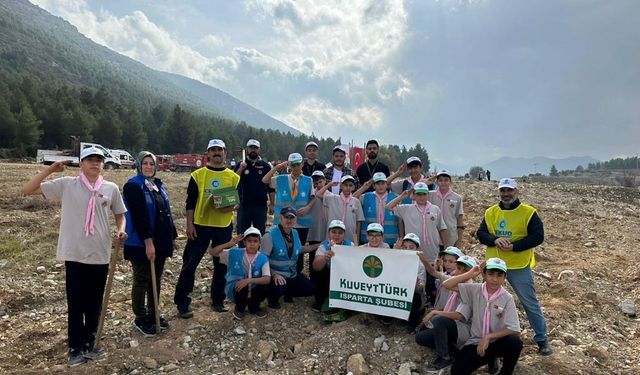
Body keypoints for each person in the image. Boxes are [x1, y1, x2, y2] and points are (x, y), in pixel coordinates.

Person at [22, 147, 127, 367]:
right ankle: (75, 348)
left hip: (99, 254)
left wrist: (120, 229)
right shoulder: (67, 185)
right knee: (76, 303)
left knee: (94, 303)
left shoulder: (111, 188)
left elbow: (120, 214)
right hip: (75, 254)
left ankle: (91, 342)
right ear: (81, 163)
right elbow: (27, 189)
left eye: (99, 160)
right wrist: (50, 169)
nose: (95, 164)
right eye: (90, 160)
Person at [476, 178, 551, 355]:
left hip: (519, 265)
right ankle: (488, 340)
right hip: (494, 266)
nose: (506, 194)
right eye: (503, 190)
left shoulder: (528, 213)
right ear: (499, 192)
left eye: (509, 190)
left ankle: (542, 339)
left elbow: (538, 236)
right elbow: (481, 234)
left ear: (517, 191)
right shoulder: (491, 212)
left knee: (529, 303)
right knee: (487, 303)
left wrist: (515, 246)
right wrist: (494, 239)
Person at [174, 139, 240, 318]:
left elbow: (235, 203)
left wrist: (225, 207)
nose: (217, 152)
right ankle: (182, 302)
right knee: (190, 264)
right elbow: (190, 202)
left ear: (225, 152)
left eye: (220, 149)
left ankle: (218, 300)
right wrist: (189, 224)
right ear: (208, 153)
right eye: (213, 150)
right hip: (200, 226)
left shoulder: (234, 177)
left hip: (223, 226)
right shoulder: (198, 175)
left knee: (221, 266)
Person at [123, 151, 177, 336]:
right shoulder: (133, 186)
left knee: (156, 278)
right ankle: (141, 317)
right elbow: (139, 216)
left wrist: (172, 237)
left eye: (151, 164)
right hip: (140, 242)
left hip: (160, 242)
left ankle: (154, 313)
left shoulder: (156, 185)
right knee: (142, 278)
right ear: (139, 165)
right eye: (145, 163)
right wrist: (148, 242)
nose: (148, 167)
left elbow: (165, 213)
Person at [442, 258, 523, 375]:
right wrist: (470, 274)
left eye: (499, 275)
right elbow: (446, 284)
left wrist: (488, 337)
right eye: (490, 274)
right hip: (475, 342)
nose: (494, 279)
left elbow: (514, 329)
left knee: (515, 342)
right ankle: (489, 360)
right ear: (484, 274)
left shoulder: (507, 298)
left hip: (496, 342)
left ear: (505, 278)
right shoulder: (475, 289)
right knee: (457, 371)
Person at [415, 255, 477, 373]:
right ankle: (452, 350)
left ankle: (445, 357)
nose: (460, 272)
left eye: (466, 270)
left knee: (439, 320)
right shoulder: (454, 281)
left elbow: (460, 315)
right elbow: (434, 273)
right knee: (421, 337)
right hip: (450, 325)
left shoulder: (471, 288)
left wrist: (435, 312)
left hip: (462, 328)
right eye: (459, 268)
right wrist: (424, 258)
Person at [262, 152, 315, 272]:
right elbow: (265, 180)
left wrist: (307, 207)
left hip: (302, 221)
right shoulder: (281, 179)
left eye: (298, 164)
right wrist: (276, 168)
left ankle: (297, 272)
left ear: (302, 164)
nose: (295, 167)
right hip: (283, 222)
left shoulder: (308, 180)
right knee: (283, 247)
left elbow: (313, 197)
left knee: (299, 250)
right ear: (289, 166)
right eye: (293, 165)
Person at [261, 207, 317, 309]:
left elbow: (300, 249)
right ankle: (272, 299)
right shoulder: (269, 235)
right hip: (276, 275)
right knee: (279, 288)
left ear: (295, 219)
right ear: (280, 218)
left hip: (292, 274)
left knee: (311, 289)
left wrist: (319, 245)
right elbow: (262, 260)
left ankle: (288, 292)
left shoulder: (294, 233)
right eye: (286, 217)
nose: (289, 220)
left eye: (292, 217)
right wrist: (274, 274)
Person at [209, 227, 270, 320]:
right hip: (237, 288)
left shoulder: (263, 258)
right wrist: (229, 244)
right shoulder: (234, 253)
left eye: (255, 241)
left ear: (260, 242)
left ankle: (254, 306)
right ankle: (240, 307)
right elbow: (213, 252)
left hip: (253, 288)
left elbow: (267, 279)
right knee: (241, 285)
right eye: (249, 241)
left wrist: (248, 280)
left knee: (264, 285)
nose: (252, 244)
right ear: (244, 242)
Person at [311, 220, 354, 312]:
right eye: (334, 232)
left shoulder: (350, 245)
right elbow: (315, 267)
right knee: (320, 272)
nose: (337, 235)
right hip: (329, 275)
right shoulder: (324, 246)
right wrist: (324, 257)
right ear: (328, 233)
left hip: (345, 275)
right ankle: (320, 300)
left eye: (340, 233)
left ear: (344, 234)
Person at [234, 139, 274, 234]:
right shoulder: (240, 164)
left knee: (260, 232)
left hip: (260, 206)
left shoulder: (266, 166)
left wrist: (272, 203)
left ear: (259, 150)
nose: (253, 150)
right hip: (244, 205)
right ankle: (241, 248)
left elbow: (271, 187)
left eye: (255, 148)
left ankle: (258, 249)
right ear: (247, 149)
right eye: (251, 147)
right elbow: (234, 181)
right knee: (242, 233)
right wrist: (241, 169)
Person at [315, 175, 365, 244]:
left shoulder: (356, 201)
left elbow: (358, 222)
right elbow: (318, 194)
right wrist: (329, 184)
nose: (348, 188)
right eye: (345, 185)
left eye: (350, 185)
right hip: (333, 236)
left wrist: (357, 240)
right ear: (341, 186)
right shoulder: (333, 198)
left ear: (353, 187)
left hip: (349, 237)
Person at [354, 172, 400, 247]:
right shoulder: (365, 197)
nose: (380, 186)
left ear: (386, 184)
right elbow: (351, 199)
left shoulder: (395, 197)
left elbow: (400, 220)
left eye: (383, 183)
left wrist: (401, 237)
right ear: (374, 185)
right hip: (369, 241)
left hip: (390, 241)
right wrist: (364, 188)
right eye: (378, 184)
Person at [393, 233, 427, 331]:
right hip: (399, 293)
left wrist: (417, 285)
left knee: (414, 297)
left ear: (417, 249)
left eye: (411, 247)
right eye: (405, 247)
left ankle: (414, 321)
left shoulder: (420, 265)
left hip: (415, 297)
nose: (407, 250)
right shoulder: (397, 261)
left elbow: (421, 288)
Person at [428, 170, 465, 248]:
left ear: (450, 182)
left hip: (451, 237)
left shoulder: (457, 198)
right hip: (433, 237)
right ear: (436, 182)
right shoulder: (430, 195)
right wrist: (428, 181)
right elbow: (413, 194)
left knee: (448, 259)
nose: (443, 182)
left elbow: (460, 220)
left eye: (446, 180)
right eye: (440, 180)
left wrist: (459, 242)